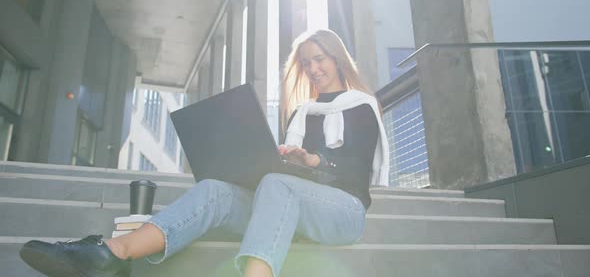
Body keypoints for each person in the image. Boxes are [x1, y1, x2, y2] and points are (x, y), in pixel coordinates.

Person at [19, 29, 389, 277]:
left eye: (319, 59)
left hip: (343, 212)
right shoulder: (301, 113)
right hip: (290, 208)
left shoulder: (360, 106)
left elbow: (355, 168)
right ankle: (111, 254)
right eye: (306, 62)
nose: (312, 68)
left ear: (337, 59)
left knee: (278, 184)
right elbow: (282, 176)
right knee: (215, 189)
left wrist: (312, 160)